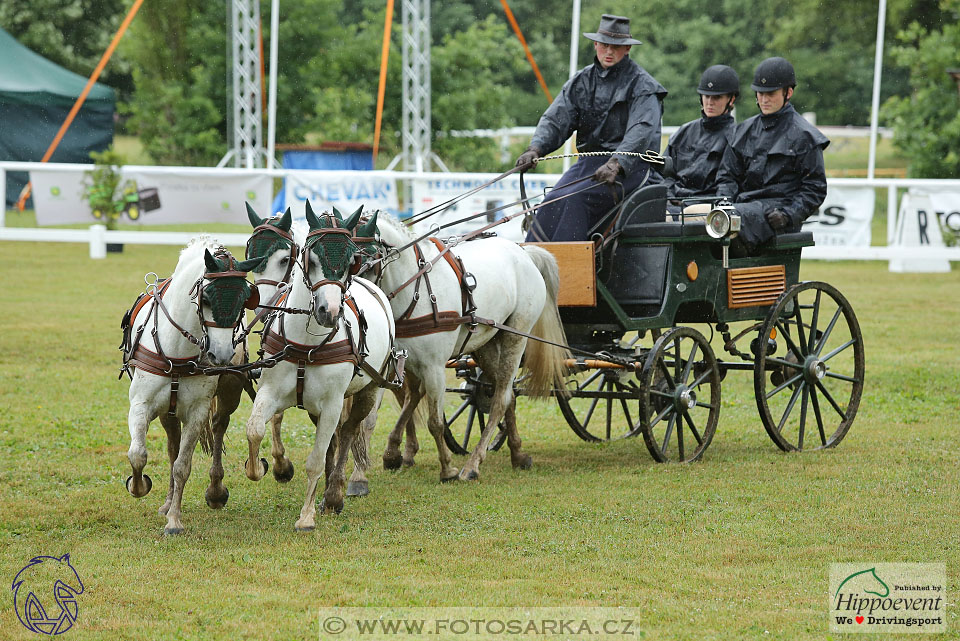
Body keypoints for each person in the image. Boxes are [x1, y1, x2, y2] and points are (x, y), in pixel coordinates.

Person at [518, 14, 667, 242]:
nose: (609, 51)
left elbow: (641, 130)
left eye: (616, 47)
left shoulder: (644, 86)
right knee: (553, 199)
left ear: (627, 49)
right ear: (596, 44)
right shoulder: (581, 81)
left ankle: (572, 270)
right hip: (588, 165)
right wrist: (535, 149)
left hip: (633, 169)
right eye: (604, 45)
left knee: (575, 199)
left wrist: (617, 163)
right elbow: (556, 119)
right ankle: (536, 266)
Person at [715, 56, 829, 252]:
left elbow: (815, 188)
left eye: (771, 93)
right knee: (698, 220)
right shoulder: (743, 131)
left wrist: (788, 214)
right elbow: (727, 176)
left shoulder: (804, 136)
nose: (764, 99)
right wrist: (723, 202)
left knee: (725, 221)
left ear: (788, 92)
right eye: (760, 93)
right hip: (742, 209)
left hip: (776, 215)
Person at [663, 65, 739, 209]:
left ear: (731, 99)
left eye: (717, 97)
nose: (710, 102)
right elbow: (664, 173)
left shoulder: (738, 138)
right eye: (706, 96)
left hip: (709, 205)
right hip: (673, 201)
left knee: (687, 216)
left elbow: (729, 185)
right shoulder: (683, 132)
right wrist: (668, 195)